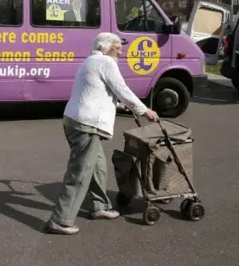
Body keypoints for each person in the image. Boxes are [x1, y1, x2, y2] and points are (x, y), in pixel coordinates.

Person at [45, 32, 159, 235]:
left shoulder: (90, 61)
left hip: (75, 120)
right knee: (79, 173)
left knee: (98, 168)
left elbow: (94, 91)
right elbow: (122, 88)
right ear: (107, 47)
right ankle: (60, 220)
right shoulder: (106, 62)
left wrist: (117, 105)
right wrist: (144, 110)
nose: (120, 51)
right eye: (117, 47)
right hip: (86, 126)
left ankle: (99, 207)